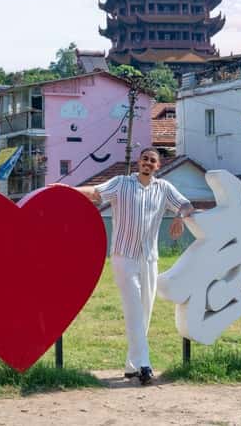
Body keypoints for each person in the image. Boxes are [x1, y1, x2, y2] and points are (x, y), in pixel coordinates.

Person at [68, 147, 194, 385]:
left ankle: (132, 366)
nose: (148, 163)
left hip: (149, 258)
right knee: (135, 308)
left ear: (158, 166)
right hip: (124, 256)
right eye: (145, 159)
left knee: (145, 311)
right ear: (139, 161)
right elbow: (96, 193)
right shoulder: (121, 183)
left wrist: (179, 216)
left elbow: (186, 204)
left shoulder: (164, 188)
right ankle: (144, 365)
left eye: (152, 160)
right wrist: (68, 189)